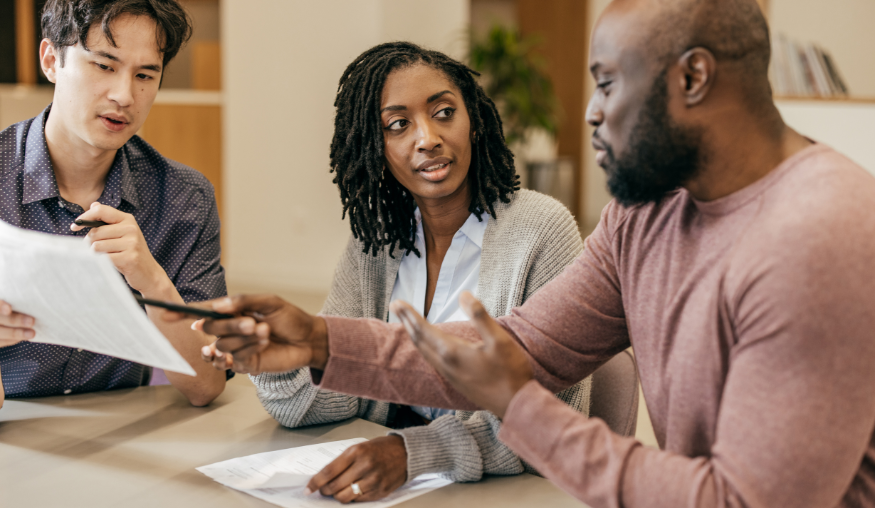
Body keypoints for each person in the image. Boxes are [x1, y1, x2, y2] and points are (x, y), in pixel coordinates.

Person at [192, 0, 875, 506]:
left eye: (607, 83)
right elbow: (510, 351)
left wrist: (516, 406)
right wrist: (316, 339)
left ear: (691, 77)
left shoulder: (821, 232)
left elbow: (741, 501)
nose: (589, 112)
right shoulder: (644, 217)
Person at [238, 42, 591, 503]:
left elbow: (551, 419)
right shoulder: (375, 241)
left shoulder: (542, 231)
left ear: (475, 121)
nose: (427, 138)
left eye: (444, 112)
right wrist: (282, 366)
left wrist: (415, 451)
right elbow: (338, 400)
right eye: (398, 125)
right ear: (375, 147)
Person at [0, 0, 228, 408]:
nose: (124, 95)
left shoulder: (184, 198)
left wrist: (153, 282)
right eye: (104, 66)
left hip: (122, 433)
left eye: (144, 75)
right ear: (52, 60)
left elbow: (206, 385)